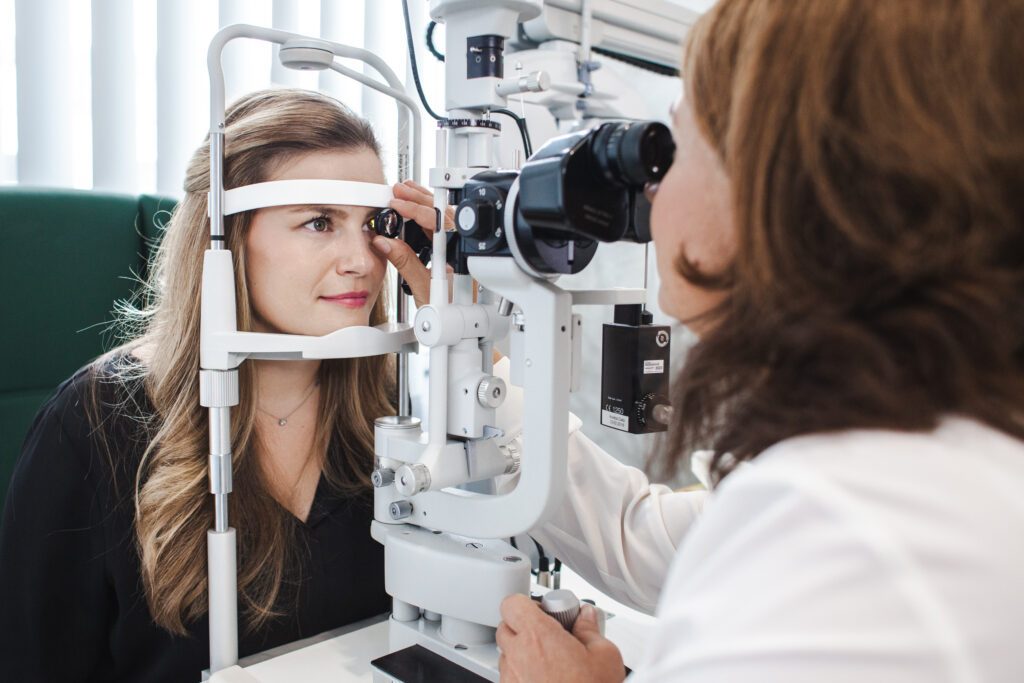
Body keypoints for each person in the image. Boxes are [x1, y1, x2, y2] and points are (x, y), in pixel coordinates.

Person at [482, 0, 1024, 681]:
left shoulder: (852, 527)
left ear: (781, 189)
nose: (652, 197)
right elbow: (642, 536)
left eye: (677, 150)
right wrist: (487, 375)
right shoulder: (923, 451)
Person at [0, 88, 445, 681]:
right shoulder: (98, 421)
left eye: (373, 225)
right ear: (227, 239)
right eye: (318, 222)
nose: (362, 260)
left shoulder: (396, 409)